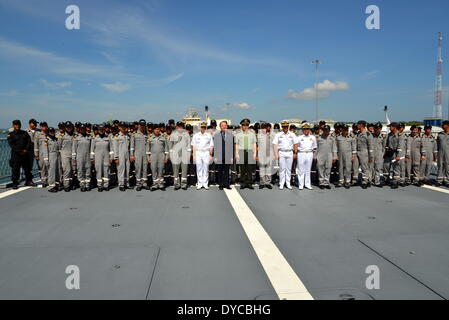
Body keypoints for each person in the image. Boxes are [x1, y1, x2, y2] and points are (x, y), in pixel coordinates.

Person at [7, 120, 35, 189]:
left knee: (27, 168)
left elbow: (29, 142)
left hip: (25, 154)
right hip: (16, 155)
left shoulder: (24, 133)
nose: (17, 126)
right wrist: (19, 151)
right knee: (15, 169)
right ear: (13, 125)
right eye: (16, 125)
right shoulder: (11, 134)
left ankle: (28, 181)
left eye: (18, 124)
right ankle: (15, 183)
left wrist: (25, 149)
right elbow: (12, 145)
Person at [272, 121, 298, 190]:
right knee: (282, 169)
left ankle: (288, 183)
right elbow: (275, 144)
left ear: (288, 127)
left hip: (290, 152)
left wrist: (295, 153)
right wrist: (276, 154)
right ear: (282, 127)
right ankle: (281, 183)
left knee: (289, 169)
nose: (285, 128)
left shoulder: (292, 134)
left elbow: (296, 144)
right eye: (284, 127)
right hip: (281, 152)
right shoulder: (278, 134)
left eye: (286, 127)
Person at [235, 119, 257, 190]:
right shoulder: (238, 134)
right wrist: (237, 153)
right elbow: (237, 145)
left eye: (247, 125)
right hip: (242, 152)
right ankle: (243, 183)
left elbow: (254, 144)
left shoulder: (252, 134)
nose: (245, 126)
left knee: (249, 169)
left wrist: (255, 153)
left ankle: (249, 183)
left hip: (250, 152)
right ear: (241, 126)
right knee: (243, 169)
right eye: (244, 125)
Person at [191, 122, 214, 190]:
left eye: (204, 127)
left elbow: (211, 145)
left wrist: (210, 154)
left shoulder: (209, 135)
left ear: (205, 128)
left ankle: (205, 183)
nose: (203, 128)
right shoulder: (196, 135)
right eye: (202, 127)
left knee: (206, 168)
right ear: (200, 128)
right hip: (198, 152)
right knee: (199, 168)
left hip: (206, 153)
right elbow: (194, 145)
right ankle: (200, 183)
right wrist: (194, 155)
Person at [169, 122, 191, 190]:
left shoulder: (186, 134)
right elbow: (170, 145)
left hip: (184, 154)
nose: (180, 128)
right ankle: (176, 183)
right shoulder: (173, 134)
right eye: (179, 126)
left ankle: (184, 183)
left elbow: (189, 145)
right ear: (176, 127)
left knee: (184, 169)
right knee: (175, 169)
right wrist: (171, 155)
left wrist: (189, 155)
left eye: (181, 126)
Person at [91, 124, 113, 192]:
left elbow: (111, 149)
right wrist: (92, 158)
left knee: (106, 171)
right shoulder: (95, 139)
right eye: (100, 130)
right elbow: (92, 150)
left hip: (106, 157)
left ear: (104, 130)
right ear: (98, 130)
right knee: (99, 171)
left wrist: (111, 157)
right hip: (97, 158)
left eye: (102, 129)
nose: (101, 131)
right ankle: (100, 185)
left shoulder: (108, 138)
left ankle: (106, 185)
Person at [315, 125, 337, 189]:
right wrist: (315, 156)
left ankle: (326, 182)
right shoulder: (319, 138)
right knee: (320, 168)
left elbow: (334, 148)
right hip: (320, 155)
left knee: (328, 168)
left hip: (329, 155)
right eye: (324, 130)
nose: (325, 132)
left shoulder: (332, 138)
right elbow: (316, 148)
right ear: (323, 131)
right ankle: (321, 182)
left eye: (327, 130)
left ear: (329, 131)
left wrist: (334, 157)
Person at [213, 121, 233, 190]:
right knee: (220, 171)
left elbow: (231, 147)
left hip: (227, 156)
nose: (224, 126)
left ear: (227, 126)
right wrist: (215, 156)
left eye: (225, 125)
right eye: (222, 125)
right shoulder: (216, 136)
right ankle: (221, 184)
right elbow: (215, 146)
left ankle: (227, 184)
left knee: (227, 171)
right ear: (220, 127)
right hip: (219, 156)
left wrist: (231, 156)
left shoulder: (230, 135)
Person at [131, 119, 150, 191]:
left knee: (145, 168)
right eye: (141, 125)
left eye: (143, 125)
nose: (142, 127)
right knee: (138, 169)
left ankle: (144, 184)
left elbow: (148, 145)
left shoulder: (147, 134)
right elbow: (132, 146)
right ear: (138, 126)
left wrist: (148, 155)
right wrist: (132, 155)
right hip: (137, 154)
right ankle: (138, 184)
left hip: (145, 154)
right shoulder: (134, 134)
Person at [148, 124, 169, 191]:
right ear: (154, 130)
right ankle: (155, 184)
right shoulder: (150, 138)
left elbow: (166, 148)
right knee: (154, 170)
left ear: (159, 130)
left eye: (158, 129)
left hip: (161, 156)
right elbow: (147, 149)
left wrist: (166, 157)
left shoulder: (163, 138)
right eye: (156, 129)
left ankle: (161, 184)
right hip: (153, 156)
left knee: (161, 169)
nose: (157, 131)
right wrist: (148, 157)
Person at [297, 123, 317, 190]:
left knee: (308, 169)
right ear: (302, 130)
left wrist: (314, 156)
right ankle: (301, 184)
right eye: (304, 129)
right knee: (301, 169)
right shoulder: (299, 137)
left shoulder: (313, 137)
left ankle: (307, 184)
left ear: (309, 130)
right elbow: (296, 146)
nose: (306, 130)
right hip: (301, 153)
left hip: (309, 153)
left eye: (307, 129)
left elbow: (314, 147)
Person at [112, 122, 131, 191]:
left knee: (127, 169)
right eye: (122, 126)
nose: (123, 128)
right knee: (121, 170)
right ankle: (121, 184)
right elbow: (115, 148)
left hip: (127, 155)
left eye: (124, 126)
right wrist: (116, 157)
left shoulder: (128, 136)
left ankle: (127, 184)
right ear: (119, 127)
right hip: (120, 156)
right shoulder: (116, 136)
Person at [356, 120, 374, 189]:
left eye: (358, 124)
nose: (357, 126)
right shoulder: (358, 133)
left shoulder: (368, 134)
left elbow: (371, 146)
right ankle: (358, 180)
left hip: (364, 152)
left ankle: (365, 181)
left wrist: (371, 156)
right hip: (358, 152)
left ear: (361, 125)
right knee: (357, 167)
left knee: (365, 168)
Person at [257, 123, 274, 189]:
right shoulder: (259, 135)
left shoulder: (273, 135)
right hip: (261, 154)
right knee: (262, 169)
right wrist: (257, 155)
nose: (266, 128)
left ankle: (268, 182)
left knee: (269, 169)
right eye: (264, 127)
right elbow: (257, 146)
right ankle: (262, 183)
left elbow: (274, 145)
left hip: (270, 154)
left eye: (267, 127)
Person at [43, 127, 60, 192]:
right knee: (51, 171)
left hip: (57, 155)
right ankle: (51, 186)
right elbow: (45, 150)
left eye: (53, 131)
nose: (52, 133)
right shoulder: (46, 140)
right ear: (48, 132)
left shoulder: (55, 139)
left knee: (57, 171)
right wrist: (46, 159)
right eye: (50, 132)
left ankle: (57, 184)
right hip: (51, 155)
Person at [371, 122, 386, 187]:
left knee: (377, 168)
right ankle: (370, 180)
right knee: (370, 167)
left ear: (380, 129)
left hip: (379, 154)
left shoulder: (383, 137)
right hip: (371, 154)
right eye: (375, 128)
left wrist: (382, 154)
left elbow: (384, 147)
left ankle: (377, 181)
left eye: (378, 128)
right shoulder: (370, 136)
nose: (377, 130)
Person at [35, 122, 49, 187]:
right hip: (41, 153)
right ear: (40, 127)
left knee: (49, 167)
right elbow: (36, 145)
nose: (44, 128)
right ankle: (44, 181)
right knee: (42, 167)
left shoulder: (49, 133)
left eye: (45, 126)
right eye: (42, 126)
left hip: (49, 153)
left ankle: (49, 179)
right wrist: (36, 154)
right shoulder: (38, 135)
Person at [436, 120, 449, 187]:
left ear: (447, 125)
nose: (442, 126)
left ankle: (447, 181)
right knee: (440, 166)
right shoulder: (440, 135)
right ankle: (439, 180)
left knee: (447, 167)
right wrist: (436, 154)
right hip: (440, 153)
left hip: (448, 154)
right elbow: (437, 145)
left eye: (443, 125)